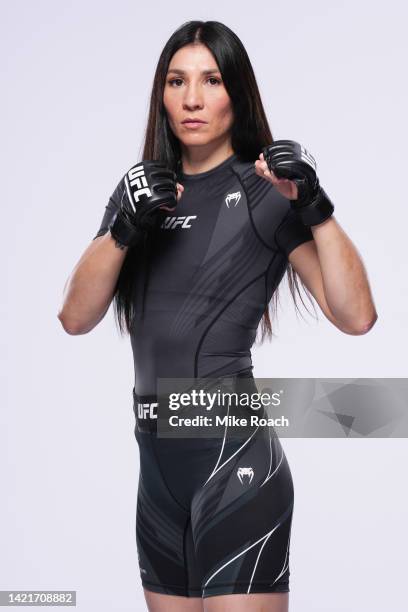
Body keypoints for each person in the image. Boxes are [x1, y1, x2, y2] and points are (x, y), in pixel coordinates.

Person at [58, 20, 378, 612]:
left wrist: (315, 206)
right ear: (162, 93)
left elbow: (356, 317)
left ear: (238, 91)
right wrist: (125, 226)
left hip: (235, 460)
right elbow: (75, 317)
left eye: (211, 80)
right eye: (177, 81)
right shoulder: (140, 193)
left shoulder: (267, 190)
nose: (193, 98)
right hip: (156, 471)